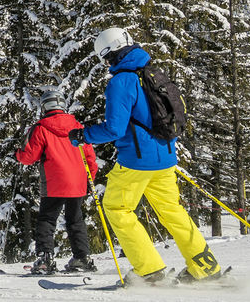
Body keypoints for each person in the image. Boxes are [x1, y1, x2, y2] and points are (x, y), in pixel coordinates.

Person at [71, 27, 223, 286]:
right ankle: (205, 267)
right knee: (172, 211)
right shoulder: (155, 73)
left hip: (136, 161)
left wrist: (83, 135)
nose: (105, 64)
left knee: (117, 208)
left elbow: (114, 129)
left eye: (104, 58)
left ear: (110, 54)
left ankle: (149, 270)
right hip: (165, 157)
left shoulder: (121, 81)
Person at [15, 92, 102, 274]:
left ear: (45, 107)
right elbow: (90, 157)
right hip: (77, 181)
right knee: (75, 219)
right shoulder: (77, 127)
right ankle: (82, 257)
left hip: (54, 181)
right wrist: (89, 179)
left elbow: (29, 157)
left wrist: (17, 154)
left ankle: (45, 258)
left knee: (47, 219)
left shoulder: (41, 127)